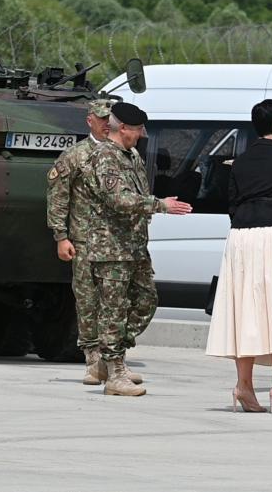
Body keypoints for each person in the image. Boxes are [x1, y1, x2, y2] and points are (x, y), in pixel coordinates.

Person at [204, 99, 272, 413]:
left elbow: (232, 205)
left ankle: (244, 386)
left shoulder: (239, 161)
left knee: (245, 309)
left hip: (240, 237)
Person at [82, 102, 193, 396]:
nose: (142, 135)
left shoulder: (130, 155)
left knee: (146, 301)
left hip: (133, 246)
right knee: (113, 310)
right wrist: (160, 205)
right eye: (138, 129)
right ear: (123, 128)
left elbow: (136, 195)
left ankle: (110, 357)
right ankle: (114, 373)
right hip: (111, 248)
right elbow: (119, 199)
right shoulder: (105, 156)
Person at [47, 99, 121, 385]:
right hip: (85, 240)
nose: (107, 124)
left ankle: (115, 361)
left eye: (111, 119)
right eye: (102, 119)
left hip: (118, 242)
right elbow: (58, 197)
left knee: (118, 302)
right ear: (90, 120)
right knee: (88, 300)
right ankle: (93, 360)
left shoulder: (125, 154)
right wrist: (61, 236)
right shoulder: (75, 155)